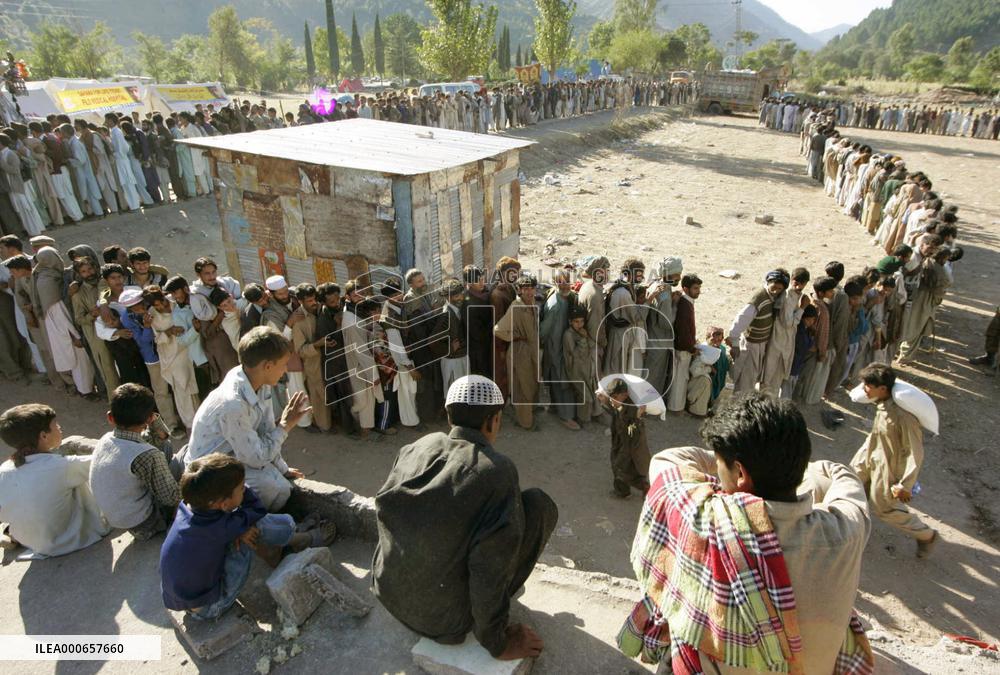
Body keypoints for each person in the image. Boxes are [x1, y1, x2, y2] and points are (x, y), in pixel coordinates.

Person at [620, 394, 873, 673]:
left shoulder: (706, 520)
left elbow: (668, 459)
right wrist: (783, 465)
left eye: (720, 463)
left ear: (740, 473)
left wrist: (734, 458)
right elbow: (839, 474)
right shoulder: (846, 531)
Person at [373, 375, 558, 661]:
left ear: (450, 417)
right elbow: (488, 567)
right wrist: (498, 643)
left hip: (388, 593)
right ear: (493, 421)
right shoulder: (496, 472)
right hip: (443, 623)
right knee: (537, 506)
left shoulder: (417, 446)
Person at [160, 453, 336, 620]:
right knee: (253, 529)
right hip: (211, 606)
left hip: (184, 599)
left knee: (243, 527)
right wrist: (242, 525)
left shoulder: (189, 506)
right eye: (242, 488)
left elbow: (234, 516)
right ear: (223, 503)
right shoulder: (221, 527)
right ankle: (301, 539)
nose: (245, 489)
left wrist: (238, 524)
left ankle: (287, 540)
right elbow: (257, 509)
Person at [184, 327, 310, 512]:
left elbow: (265, 431)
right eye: (283, 364)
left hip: (235, 455)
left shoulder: (257, 380)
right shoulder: (233, 405)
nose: (285, 370)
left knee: (281, 484)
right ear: (268, 366)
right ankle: (253, 523)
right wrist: (285, 426)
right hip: (208, 474)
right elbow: (256, 458)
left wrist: (282, 468)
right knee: (274, 488)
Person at [850, 364, 937, 558]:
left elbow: (915, 452)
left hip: (888, 466)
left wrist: (906, 485)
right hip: (869, 456)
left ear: (882, 389)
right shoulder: (882, 404)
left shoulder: (903, 416)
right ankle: (851, 529)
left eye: (868, 386)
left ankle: (926, 535)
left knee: (884, 507)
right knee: (850, 485)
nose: (864, 389)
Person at [0, 404, 110, 557]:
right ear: (44, 436)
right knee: (87, 478)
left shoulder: (4, 469)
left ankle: (9, 533)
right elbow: (106, 462)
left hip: (33, 543)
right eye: (55, 425)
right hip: (71, 540)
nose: (60, 427)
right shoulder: (62, 466)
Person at [89, 384, 180, 541]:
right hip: (147, 523)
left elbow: (163, 438)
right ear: (148, 419)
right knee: (184, 457)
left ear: (110, 417)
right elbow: (171, 498)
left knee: (164, 446)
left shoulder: (106, 439)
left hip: (121, 519)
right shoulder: (147, 455)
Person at [727, 270, 788, 394]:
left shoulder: (775, 298)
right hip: (751, 346)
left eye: (779, 289)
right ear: (768, 282)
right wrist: (734, 344)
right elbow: (740, 321)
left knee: (752, 378)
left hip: (761, 345)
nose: (776, 291)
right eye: (774, 287)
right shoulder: (759, 299)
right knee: (745, 381)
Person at [494, 275, 540, 431]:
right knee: (522, 387)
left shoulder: (532, 303)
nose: (529, 292)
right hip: (520, 352)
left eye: (532, 288)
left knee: (531, 382)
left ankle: (529, 413)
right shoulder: (516, 306)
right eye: (526, 289)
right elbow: (498, 330)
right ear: (519, 290)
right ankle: (525, 423)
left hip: (531, 350)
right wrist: (516, 336)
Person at [539, 268, 578, 430]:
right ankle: (566, 416)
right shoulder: (555, 304)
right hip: (556, 349)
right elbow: (543, 331)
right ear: (555, 283)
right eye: (561, 282)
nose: (565, 285)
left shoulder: (568, 297)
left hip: (563, 348)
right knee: (562, 382)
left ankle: (555, 408)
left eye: (567, 281)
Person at [598, 378, 651, 498]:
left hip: (631, 446)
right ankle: (623, 491)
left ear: (625, 395)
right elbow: (613, 410)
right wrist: (603, 401)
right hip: (619, 441)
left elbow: (632, 432)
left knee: (626, 469)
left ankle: (645, 488)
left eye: (615, 397)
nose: (612, 400)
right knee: (618, 466)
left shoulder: (634, 410)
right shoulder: (617, 402)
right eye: (611, 397)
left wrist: (636, 418)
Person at [667, 274, 700, 412]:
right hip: (682, 349)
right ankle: (675, 409)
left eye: (699, 288)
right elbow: (683, 331)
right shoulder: (685, 305)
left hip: (683, 347)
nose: (698, 291)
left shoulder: (687, 302)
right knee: (679, 381)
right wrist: (691, 348)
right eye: (695, 288)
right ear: (686, 289)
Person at [563, 306, 598, 427]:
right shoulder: (568, 335)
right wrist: (583, 339)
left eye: (582, 321)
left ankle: (584, 418)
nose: (580, 324)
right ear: (570, 322)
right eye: (576, 322)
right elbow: (576, 354)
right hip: (575, 371)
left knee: (589, 395)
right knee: (587, 398)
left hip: (586, 369)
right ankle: (583, 420)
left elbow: (591, 346)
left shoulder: (582, 331)